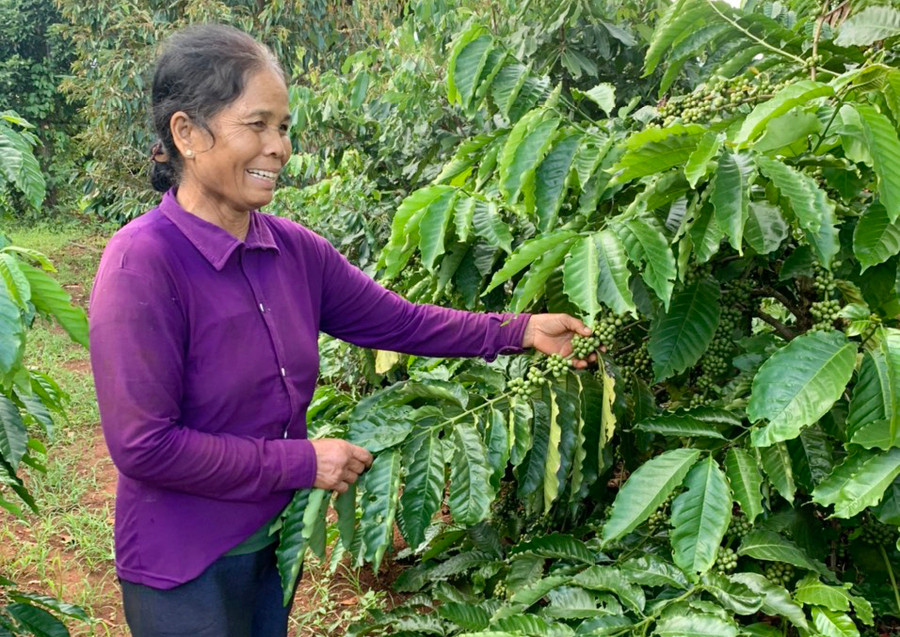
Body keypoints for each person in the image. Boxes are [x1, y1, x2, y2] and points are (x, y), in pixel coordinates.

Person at [89, 23, 593, 637]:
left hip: (274, 547)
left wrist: (520, 329)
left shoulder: (295, 252)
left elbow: (400, 321)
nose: (279, 147)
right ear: (188, 133)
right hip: (184, 563)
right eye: (258, 124)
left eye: (283, 127)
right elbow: (144, 446)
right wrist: (300, 463)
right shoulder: (142, 263)